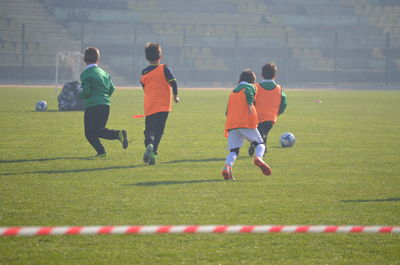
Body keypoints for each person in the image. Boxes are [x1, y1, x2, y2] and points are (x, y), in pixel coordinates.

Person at [78, 47, 128, 158]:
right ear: (98, 59)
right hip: (105, 104)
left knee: (89, 133)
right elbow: (112, 88)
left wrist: (79, 94)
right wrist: (104, 97)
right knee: (99, 131)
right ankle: (118, 134)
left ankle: (101, 152)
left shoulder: (85, 74)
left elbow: (86, 91)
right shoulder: (104, 73)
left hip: (92, 105)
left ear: (84, 59)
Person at [222, 69, 272, 180]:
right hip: (245, 122)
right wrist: (250, 104)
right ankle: (259, 158)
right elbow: (249, 92)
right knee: (260, 143)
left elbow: (227, 112)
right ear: (252, 80)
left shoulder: (234, 91)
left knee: (234, 151)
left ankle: (227, 166)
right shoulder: (250, 87)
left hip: (232, 124)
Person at [140, 42, 179, 165]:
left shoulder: (144, 72)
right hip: (164, 106)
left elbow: (144, 87)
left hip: (150, 105)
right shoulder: (164, 68)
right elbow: (174, 82)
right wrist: (175, 96)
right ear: (160, 56)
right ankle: (154, 151)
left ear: (147, 57)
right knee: (159, 130)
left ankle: (149, 144)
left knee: (149, 130)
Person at [248, 62, 287, 157]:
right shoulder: (279, 89)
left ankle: (256, 145)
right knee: (264, 133)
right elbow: (284, 103)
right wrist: (277, 113)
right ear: (275, 75)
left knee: (260, 133)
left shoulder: (256, 87)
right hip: (271, 118)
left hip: (257, 117)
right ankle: (262, 149)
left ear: (261, 74)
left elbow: (250, 101)